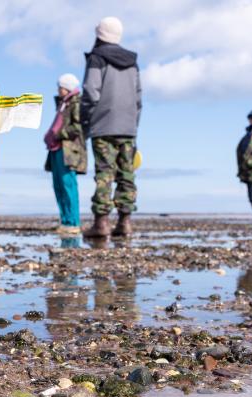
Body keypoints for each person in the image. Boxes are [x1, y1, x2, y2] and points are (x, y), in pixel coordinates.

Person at [81, 16, 142, 238]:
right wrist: (134, 125)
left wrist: (85, 121)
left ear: (99, 34)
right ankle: (125, 222)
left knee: (104, 174)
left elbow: (90, 91)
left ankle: (101, 223)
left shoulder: (97, 58)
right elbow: (138, 98)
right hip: (128, 127)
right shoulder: (132, 62)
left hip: (103, 126)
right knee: (127, 173)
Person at [44, 73, 87, 235]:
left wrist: (58, 134)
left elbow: (78, 127)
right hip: (56, 149)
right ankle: (65, 220)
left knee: (68, 186)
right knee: (58, 186)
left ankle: (73, 221)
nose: (58, 90)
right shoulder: (62, 104)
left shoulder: (76, 103)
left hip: (68, 150)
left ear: (67, 87)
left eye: (60, 87)